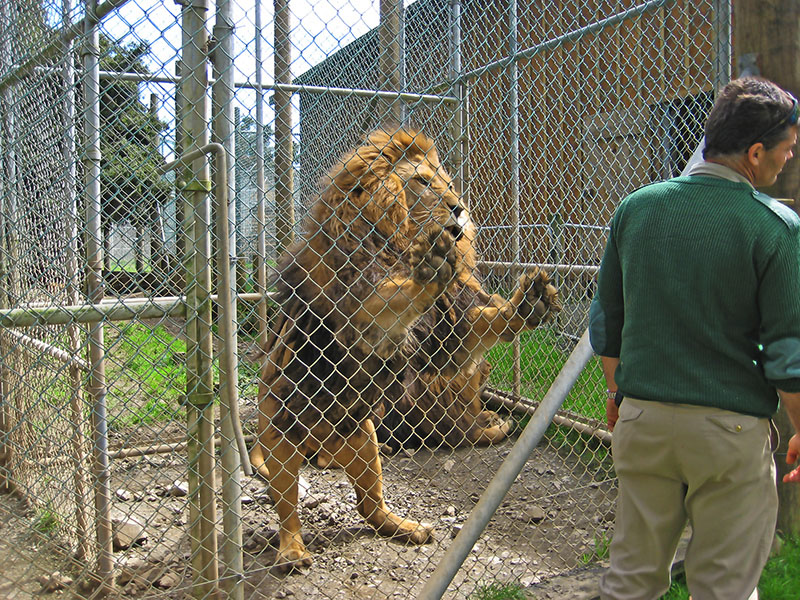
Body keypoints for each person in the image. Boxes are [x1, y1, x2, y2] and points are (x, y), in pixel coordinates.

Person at [589, 76, 800, 600]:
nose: (788, 160)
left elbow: (607, 322)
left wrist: (619, 394)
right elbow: (787, 350)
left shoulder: (636, 207)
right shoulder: (775, 227)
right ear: (755, 153)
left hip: (643, 420)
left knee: (630, 582)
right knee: (724, 588)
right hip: (728, 433)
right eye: (786, 150)